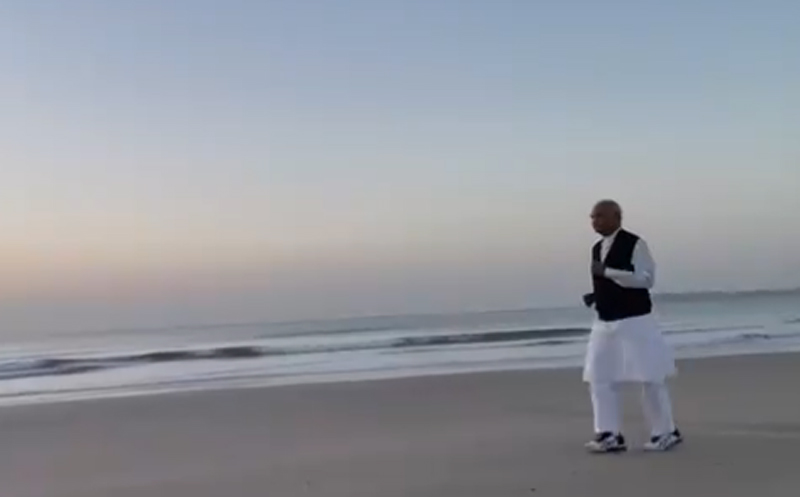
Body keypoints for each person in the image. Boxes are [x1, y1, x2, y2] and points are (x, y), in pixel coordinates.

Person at [582, 200, 682, 453]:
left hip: (636, 320)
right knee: (599, 376)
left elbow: (646, 279)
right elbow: (608, 280)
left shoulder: (635, 244)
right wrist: (597, 296)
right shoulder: (597, 248)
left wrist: (608, 272)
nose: (595, 221)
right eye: (592, 217)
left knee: (650, 375)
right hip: (605, 321)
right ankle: (609, 434)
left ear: (617, 217)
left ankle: (666, 431)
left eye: (600, 216)